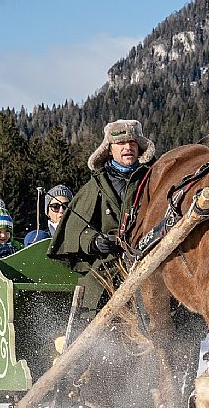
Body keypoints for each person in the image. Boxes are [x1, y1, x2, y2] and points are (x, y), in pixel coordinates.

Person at [49, 119, 156, 314]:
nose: (127, 148)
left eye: (132, 143)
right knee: (93, 303)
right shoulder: (95, 187)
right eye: (121, 144)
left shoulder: (155, 179)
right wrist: (94, 241)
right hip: (107, 266)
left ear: (140, 148)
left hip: (150, 264)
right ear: (109, 149)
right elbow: (74, 231)